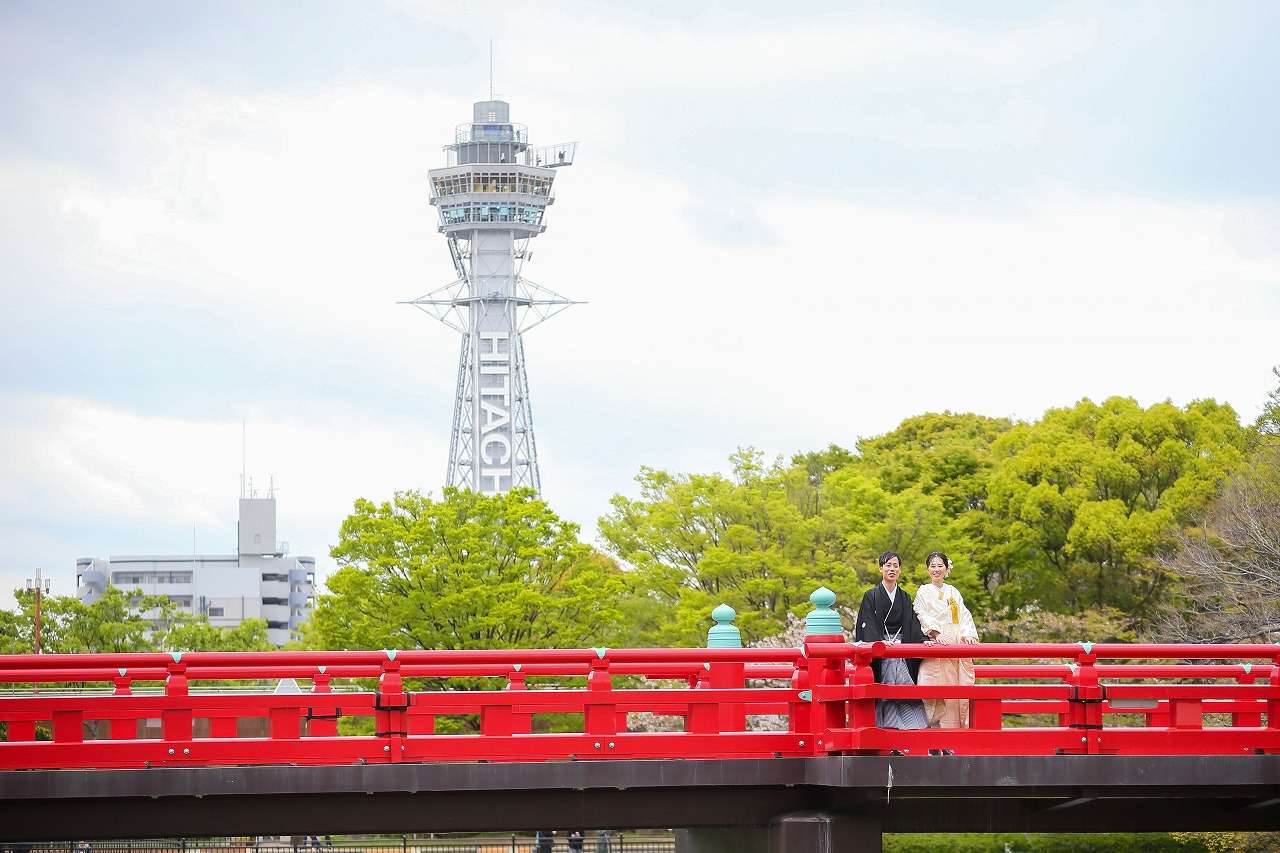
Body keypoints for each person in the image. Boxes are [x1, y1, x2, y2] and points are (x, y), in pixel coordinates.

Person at [854, 550, 929, 733]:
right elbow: (866, 623)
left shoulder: (904, 597)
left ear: (900, 570)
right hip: (882, 648)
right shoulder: (871, 596)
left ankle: (911, 725)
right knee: (886, 686)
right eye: (888, 565)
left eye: (895, 566)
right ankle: (886, 725)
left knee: (903, 685)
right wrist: (878, 641)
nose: (892, 569)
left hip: (901, 649)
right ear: (881, 569)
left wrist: (922, 639)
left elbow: (912, 623)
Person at [913, 551, 979, 737]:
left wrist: (967, 634)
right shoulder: (923, 591)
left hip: (954, 646)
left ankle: (951, 738)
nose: (936, 569)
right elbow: (920, 613)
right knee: (931, 688)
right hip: (935, 645)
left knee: (954, 695)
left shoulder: (953, 592)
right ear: (928, 569)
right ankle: (932, 736)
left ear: (946, 568)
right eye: (932, 566)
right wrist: (934, 632)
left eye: (940, 565)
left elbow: (964, 616)